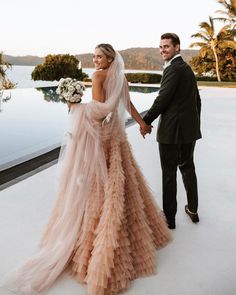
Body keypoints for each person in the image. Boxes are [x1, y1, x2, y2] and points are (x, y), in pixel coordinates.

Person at [1, 44, 171, 295]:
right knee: (122, 185)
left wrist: (74, 106)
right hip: (118, 137)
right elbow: (127, 102)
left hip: (103, 138)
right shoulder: (121, 77)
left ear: (110, 58)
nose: (96, 60)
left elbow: (98, 114)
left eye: (99, 56)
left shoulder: (98, 76)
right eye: (94, 56)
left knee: (99, 189)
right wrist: (142, 123)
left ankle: (99, 244)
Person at [141, 33, 201, 230]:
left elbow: (162, 99)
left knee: (169, 174)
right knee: (187, 168)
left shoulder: (173, 69)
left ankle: (169, 219)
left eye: (166, 46)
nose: (162, 50)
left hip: (171, 132)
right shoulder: (186, 68)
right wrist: (193, 125)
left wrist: (145, 121)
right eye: (160, 47)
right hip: (188, 131)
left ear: (177, 48)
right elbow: (197, 100)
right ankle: (193, 209)